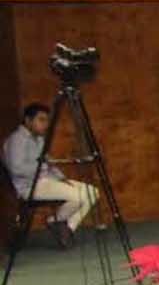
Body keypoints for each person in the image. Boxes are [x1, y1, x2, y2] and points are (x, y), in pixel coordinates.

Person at [4, 104, 96, 249]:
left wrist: (61, 178)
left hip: (47, 181)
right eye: (41, 120)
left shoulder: (39, 139)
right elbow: (16, 168)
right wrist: (42, 167)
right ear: (28, 120)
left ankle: (65, 225)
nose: (45, 125)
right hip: (30, 186)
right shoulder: (16, 140)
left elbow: (49, 162)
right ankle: (58, 223)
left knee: (92, 192)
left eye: (46, 120)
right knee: (79, 197)